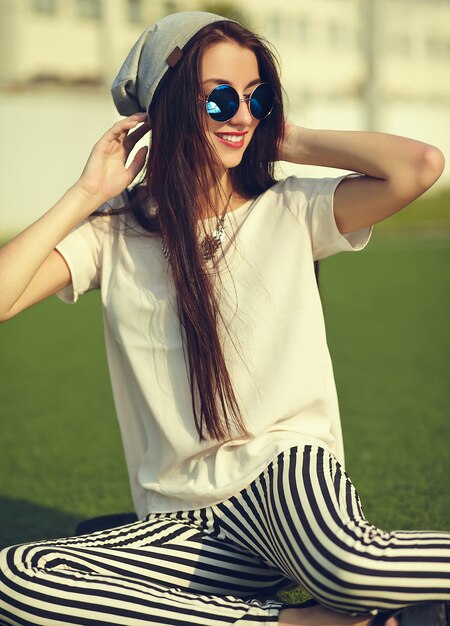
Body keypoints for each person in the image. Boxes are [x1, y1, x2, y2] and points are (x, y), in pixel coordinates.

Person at [0, 10, 448, 626]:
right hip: (181, 521)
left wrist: (284, 135)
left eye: (256, 96)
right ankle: (304, 623)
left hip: (286, 478)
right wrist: (86, 193)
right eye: (219, 100)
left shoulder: (291, 209)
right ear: (172, 106)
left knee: (353, 568)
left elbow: (419, 166)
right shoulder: (113, 235)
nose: (241, 113)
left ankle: (344, 599)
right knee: (18, 580)